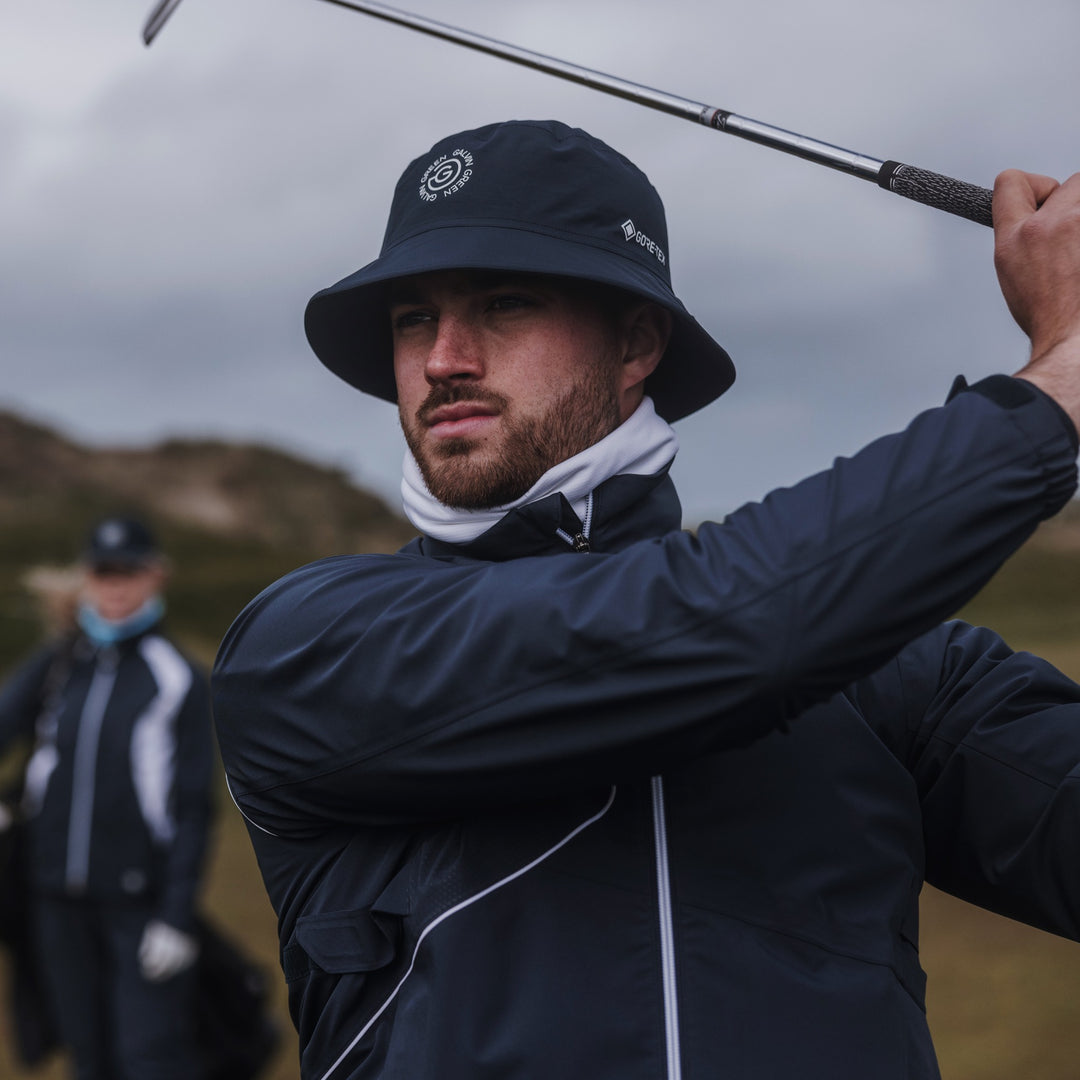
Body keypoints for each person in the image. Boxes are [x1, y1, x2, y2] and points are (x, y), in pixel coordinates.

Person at [211, 119, 1080, 1080]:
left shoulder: (902, 669)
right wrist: (1060, 389)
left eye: (504, 302)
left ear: (637, 343)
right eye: (414, 318)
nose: (444, 357)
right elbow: (712, 629)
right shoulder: (306, 647)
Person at [0, 515, 214, 1080]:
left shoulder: (178, 677)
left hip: (138, 904)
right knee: (85, 1057)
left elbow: (194, 807)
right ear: (86, 577)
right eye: (103, 572)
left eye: (129, 572)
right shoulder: (60, 661)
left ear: (155, 576)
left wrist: (176, 915)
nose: (115, 586)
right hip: (53, 900)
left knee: (149, 1059)